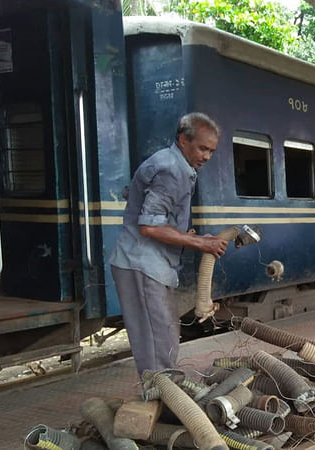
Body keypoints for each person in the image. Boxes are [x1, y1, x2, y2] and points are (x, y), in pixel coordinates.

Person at [110, 112, 228, 376]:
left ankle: (166, 398)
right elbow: (149, 225)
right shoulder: (171, 170)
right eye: (202, 148)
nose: (207, 157)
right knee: (157, 342)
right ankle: (162, 400)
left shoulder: (177, 165)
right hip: (142, 264)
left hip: (151, 264)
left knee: (163, 337)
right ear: (183, 140)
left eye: (211, 151)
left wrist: (196, 238)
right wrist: (199, 243)